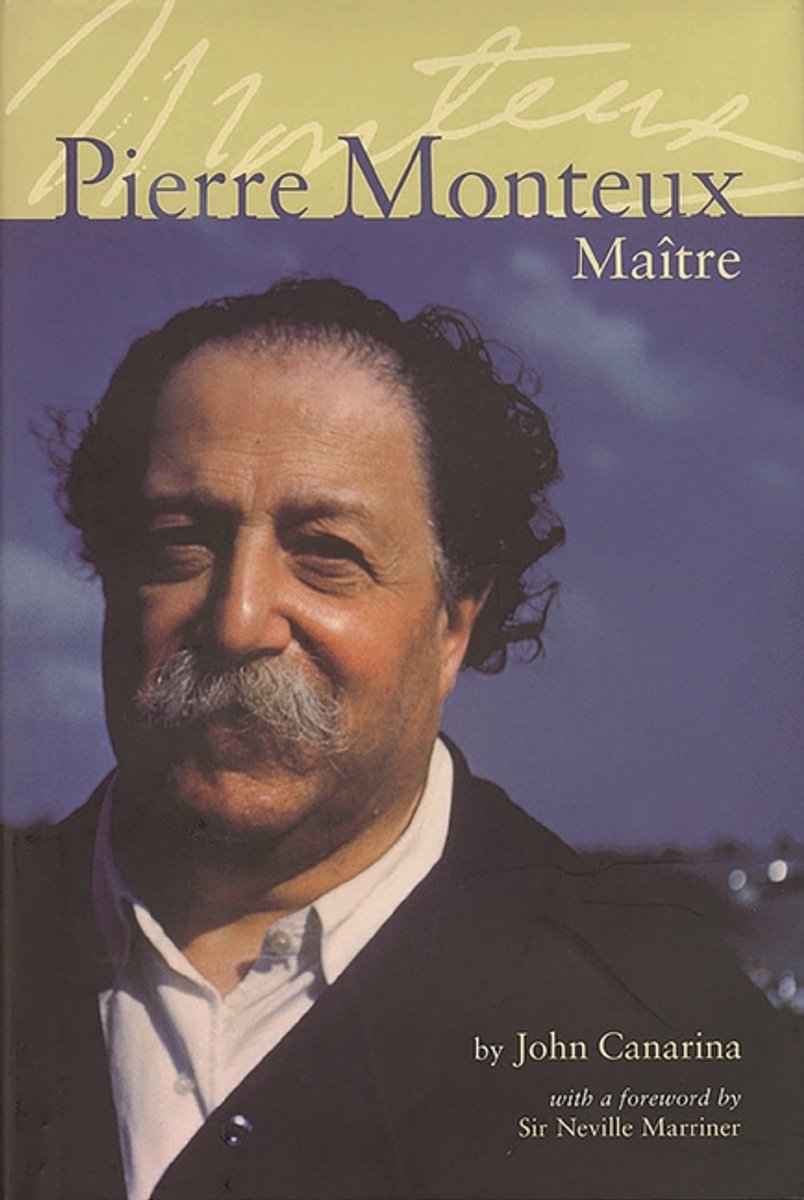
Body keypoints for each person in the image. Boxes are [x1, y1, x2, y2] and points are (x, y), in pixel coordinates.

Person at [7, 278, 802, 1200]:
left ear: (455, 623)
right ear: (110, 576)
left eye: (327, 554)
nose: (238, 619)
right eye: (182, 542)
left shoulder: (672, 1032)